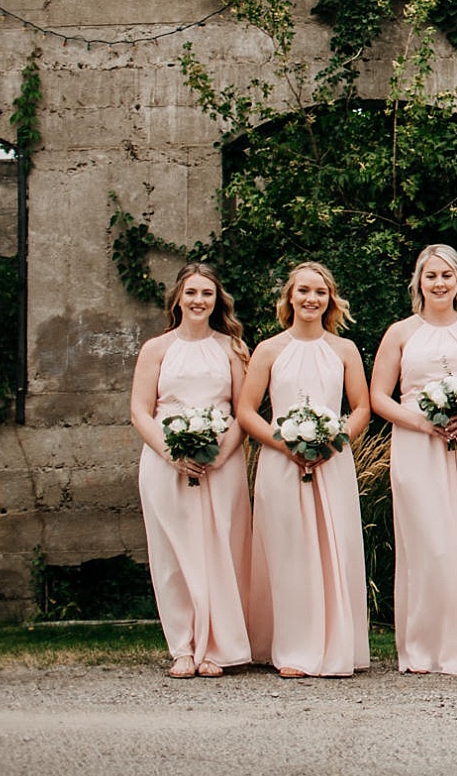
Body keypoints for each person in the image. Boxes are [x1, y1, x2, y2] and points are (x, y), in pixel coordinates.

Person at [238, 261, 372, 678]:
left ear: (330, 299)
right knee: (289, 551)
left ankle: (337, 646)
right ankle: (293, 649)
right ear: (289, 298)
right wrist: (283, 444)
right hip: (281, 463)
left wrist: (333, 441)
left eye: (320, 292)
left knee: (334, 548)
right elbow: (246, 410)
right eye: (303, 291)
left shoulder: (344, 350)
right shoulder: (269, 350)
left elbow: (362, 407)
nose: (311, 299)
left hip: (333, 462)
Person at [368, 244, 457, 675]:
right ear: (418, 282)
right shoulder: (401, 332)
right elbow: (378, 397)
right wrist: (422, 423)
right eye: (431, 276)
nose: (439, 283)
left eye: (447, 275)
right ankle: (421, 647)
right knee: (428, 544)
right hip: (417, 445)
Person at [128, 262, 254, 679]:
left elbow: (243, 413)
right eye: (192, 293)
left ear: (217, 301)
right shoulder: (156, 349)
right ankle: (182, 647)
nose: (199, 301)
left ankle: (217, 646)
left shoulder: (231, 348)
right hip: (167, 462)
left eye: (207, 294)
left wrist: (220, 455)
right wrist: (170, 452)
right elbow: (140, 412)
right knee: (172, 555)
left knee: (221, 549)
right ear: (178, 298)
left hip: (222, 461)